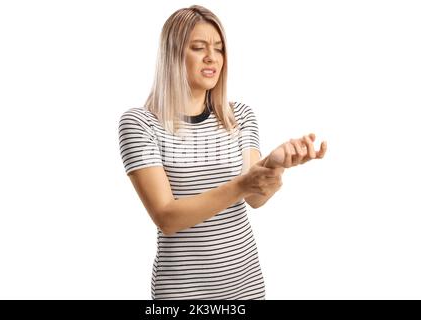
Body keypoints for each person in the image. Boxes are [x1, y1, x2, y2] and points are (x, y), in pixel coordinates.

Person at [118, 5, 327, 300]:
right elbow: (167, 217)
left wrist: (274, 166)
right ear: (172, 55)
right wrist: (243, 184)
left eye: (219, 49)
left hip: (247, 287)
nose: (211, 57)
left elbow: (255, 198)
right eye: (198, 48)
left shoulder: (240, 116)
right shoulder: (141, 124)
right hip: (182, 293)